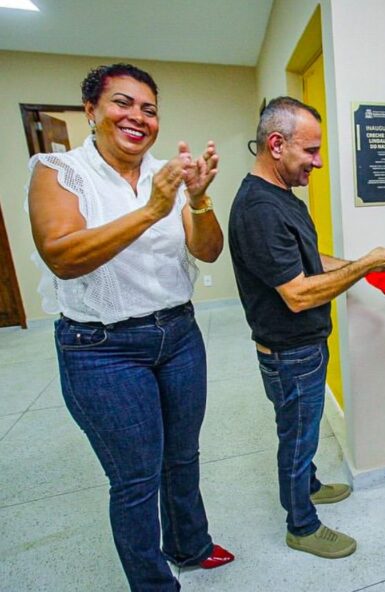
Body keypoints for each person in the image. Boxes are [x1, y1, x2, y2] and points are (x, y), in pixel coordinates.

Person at [27, 63, 233, 591]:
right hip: (102, 349)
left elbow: (207, 251)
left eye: (149, 109)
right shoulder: (57, 170)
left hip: (178, 335)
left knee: (183, 457)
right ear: (91, 110)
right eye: (123, 103)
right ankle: (154, 583)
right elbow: (63, 257)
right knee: (137, 479)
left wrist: (200, 199)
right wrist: (152, 210)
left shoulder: (167, 173)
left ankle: (190, 544)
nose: (137, 117)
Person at [228, 96, 385, 559]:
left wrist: (368, 270)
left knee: (300, 429)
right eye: (310, 151)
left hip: (303, 346)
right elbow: (299, 292)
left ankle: (308, 486)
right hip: (288, 352)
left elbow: (310, 263)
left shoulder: (282, 198)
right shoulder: (258, 209)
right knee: (298, 436)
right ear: (276, 143)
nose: (318, 162)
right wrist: (365, 263)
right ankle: (301, 525)